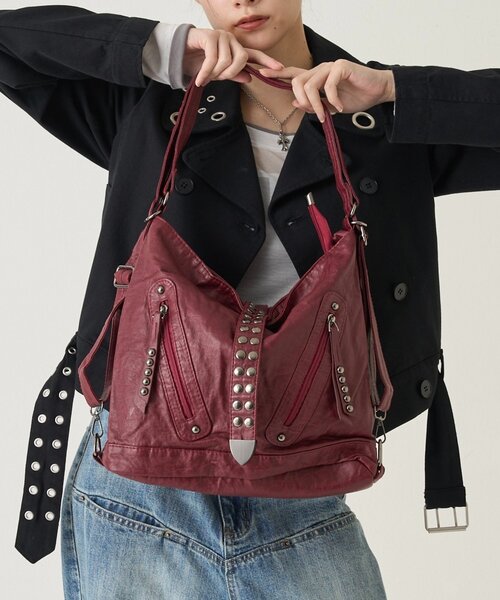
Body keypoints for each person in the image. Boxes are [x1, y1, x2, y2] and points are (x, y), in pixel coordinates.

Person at [4, 0, 498, 597]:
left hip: (305, 484)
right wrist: (163, 48)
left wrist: (396, 90)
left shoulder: (375, 119)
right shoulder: (150, 102)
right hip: (140, 485)